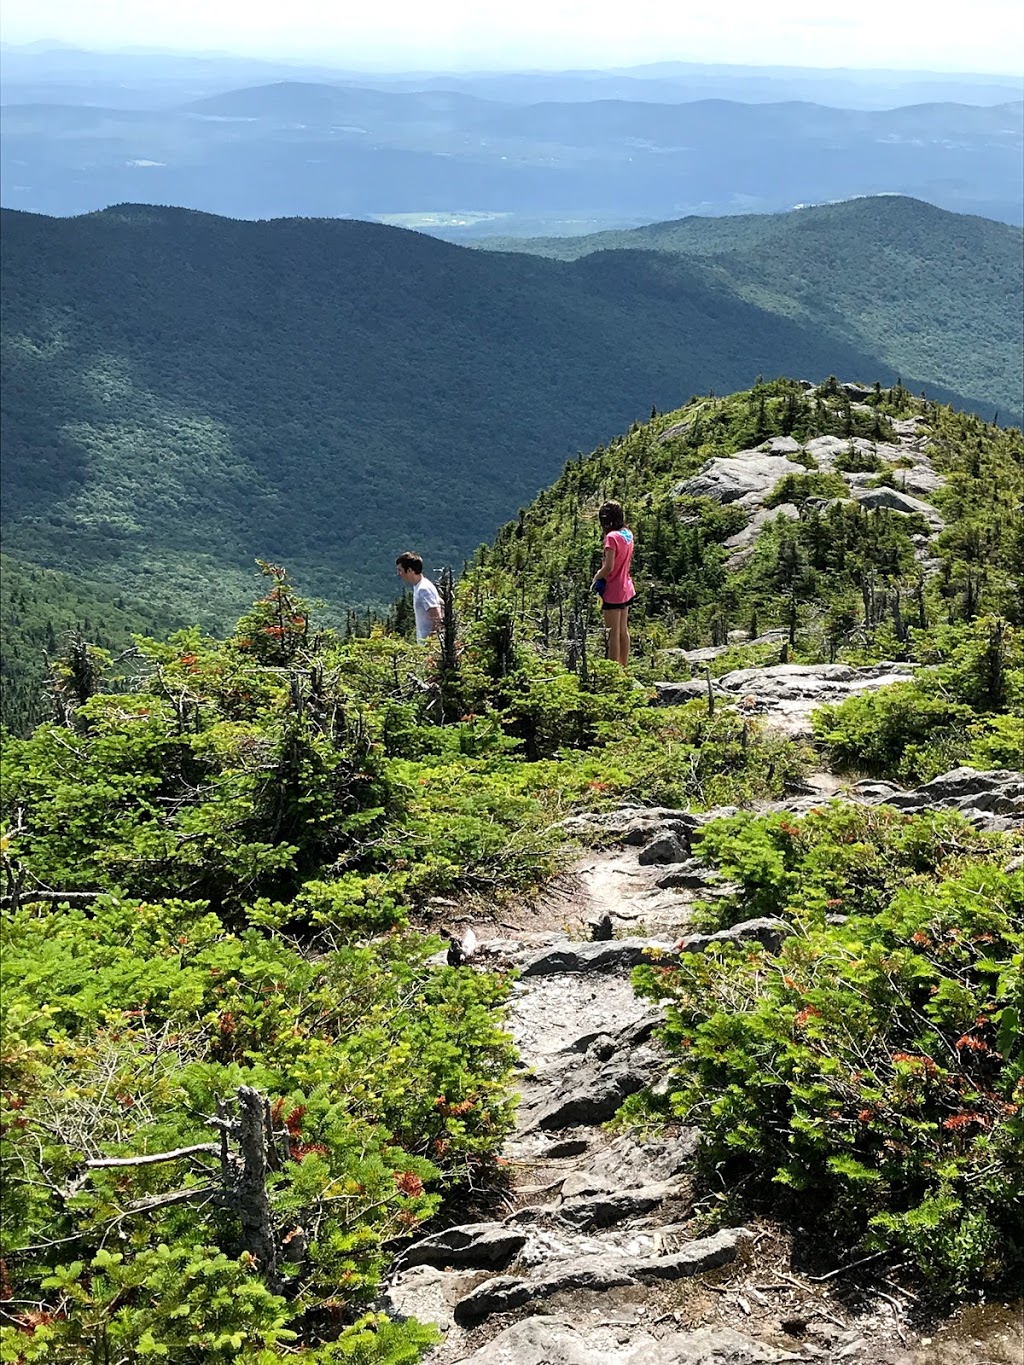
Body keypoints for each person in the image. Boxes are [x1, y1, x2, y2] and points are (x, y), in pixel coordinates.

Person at [591, 500, 635, 667]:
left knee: (613, 634)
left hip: (613, 591)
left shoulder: (611, 538)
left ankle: (613, 673)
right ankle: (624, 668)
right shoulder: (627, 534)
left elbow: (609, 567)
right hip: (626, 587)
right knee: (623, 630)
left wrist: (596, 577)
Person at [396, 552, 443, 641]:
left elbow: (437, 617)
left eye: (400, 570)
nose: (399, 573)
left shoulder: (423, 589)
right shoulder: (419, 586)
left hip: (429, 646)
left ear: (409, 570)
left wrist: (430, 643)